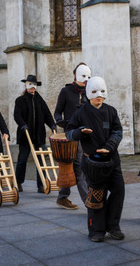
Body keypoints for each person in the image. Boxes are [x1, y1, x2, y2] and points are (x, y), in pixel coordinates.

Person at [66, 76, 125, 242]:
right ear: (88, 93)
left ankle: (113, 226)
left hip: (112, 160)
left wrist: (109, 146)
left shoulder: (111, 111)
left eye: (102, 92)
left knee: (119, 191)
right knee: (96, 196)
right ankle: (96, 230)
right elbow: (69, 133)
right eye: (94, 92)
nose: (99, 95)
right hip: (92, 162)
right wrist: (80, 132)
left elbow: (117, 131)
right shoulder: (80, 113)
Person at [53, 63, 90, 209]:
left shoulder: (89, 92)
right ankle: (88, 203)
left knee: (76, 167)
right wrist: (60, 122)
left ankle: (63, 197)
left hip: (85, 135)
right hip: (71, 134)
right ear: (75, 75)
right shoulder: (66, 91)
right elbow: (57, 112)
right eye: (82, 76)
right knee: (73, 166)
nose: (85, 80)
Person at [14, 74, 56, 194]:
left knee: (41, 160)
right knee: (22, 159)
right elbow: (17, 115)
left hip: (38, 135)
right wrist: (22, 124)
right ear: (26, 86)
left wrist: (52, 124)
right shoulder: (20, 100)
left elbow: (47, 114)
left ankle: (41, 184)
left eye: (34, 85)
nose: (32, 88)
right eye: (30, 85)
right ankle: (18, 181)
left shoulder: (39, 100)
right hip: (25, 135)